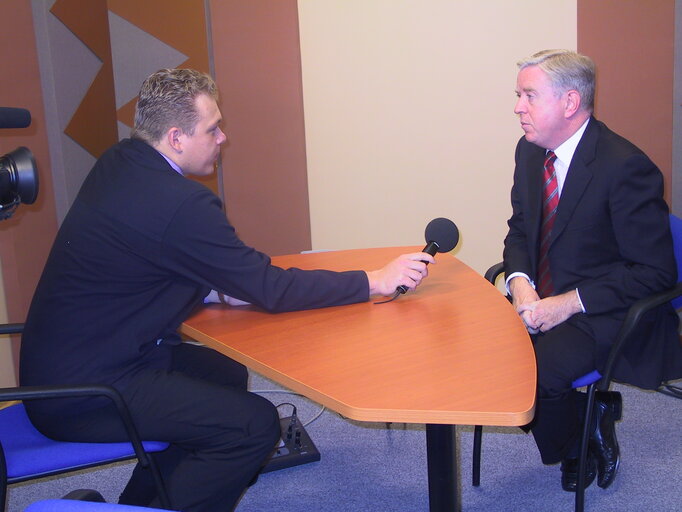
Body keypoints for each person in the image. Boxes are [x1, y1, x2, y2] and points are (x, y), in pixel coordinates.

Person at [19, 68, 434, 512]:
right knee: (253, 426)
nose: (223, 138)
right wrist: (374, 280)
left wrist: (221, 289)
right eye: (212, 128)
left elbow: (148, 260)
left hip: (67, 363)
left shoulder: (120, 162)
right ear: (176, 137)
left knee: (226, 374)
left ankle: (144, 503)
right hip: (87, 391)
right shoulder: (181, 204)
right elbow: (269, 289)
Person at [504, 49, 682, 492]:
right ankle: (588, 415)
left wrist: (565, 305)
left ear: (569, 102)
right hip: (543, 295)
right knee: (495, 366)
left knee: (539, 377)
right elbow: (519, 232)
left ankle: (579, 443)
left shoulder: (625, 167)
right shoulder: (530, 153)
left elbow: (656, 272)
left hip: (606, 305)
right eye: (518, 95)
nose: (517, 107)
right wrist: (521, 284)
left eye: (529, 95)